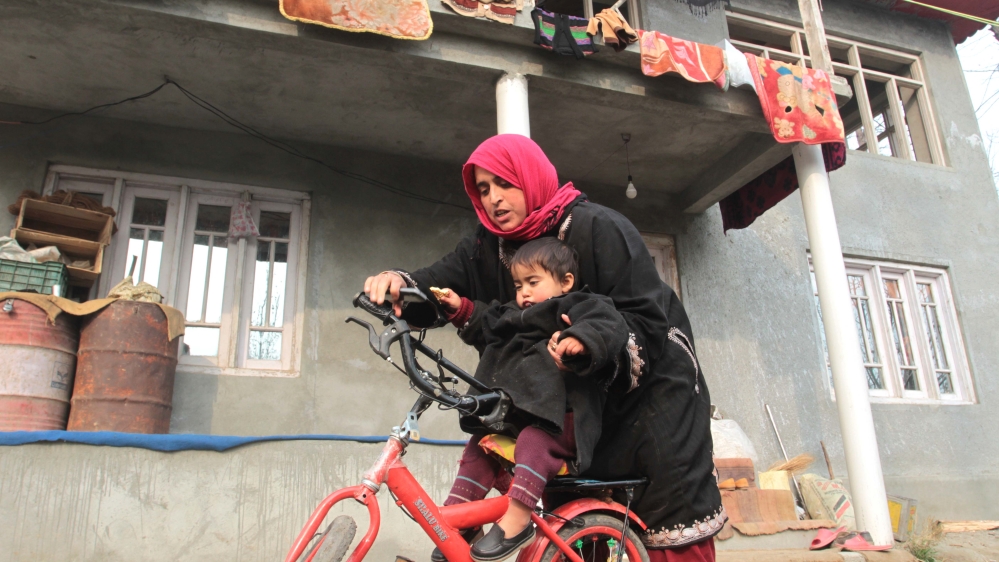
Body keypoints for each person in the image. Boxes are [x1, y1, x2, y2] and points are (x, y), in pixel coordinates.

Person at [364, 134, 724, 562]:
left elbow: (643, 319)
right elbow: (437, 284)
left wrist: (584, 344)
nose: (494, 199)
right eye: (483, 189)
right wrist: (397, 285)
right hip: (568, 400)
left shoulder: (598, 227)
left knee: (667, 525)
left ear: (530, 179)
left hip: (654, 397)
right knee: (574, 530)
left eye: (504, 183)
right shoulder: (488, 244)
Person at [432, 237, 631, 561]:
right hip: (523, 417)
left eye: (532, 282)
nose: (523, 291)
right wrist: (461, 308)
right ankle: (462, 516)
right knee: (480, 443)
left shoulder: (577, 305)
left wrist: (582, 340)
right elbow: (487, 322)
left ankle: (519, 516)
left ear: (565, 282)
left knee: (533, 441)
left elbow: (609, 324)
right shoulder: (514, 315)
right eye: (518, 284)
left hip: (564, 423)